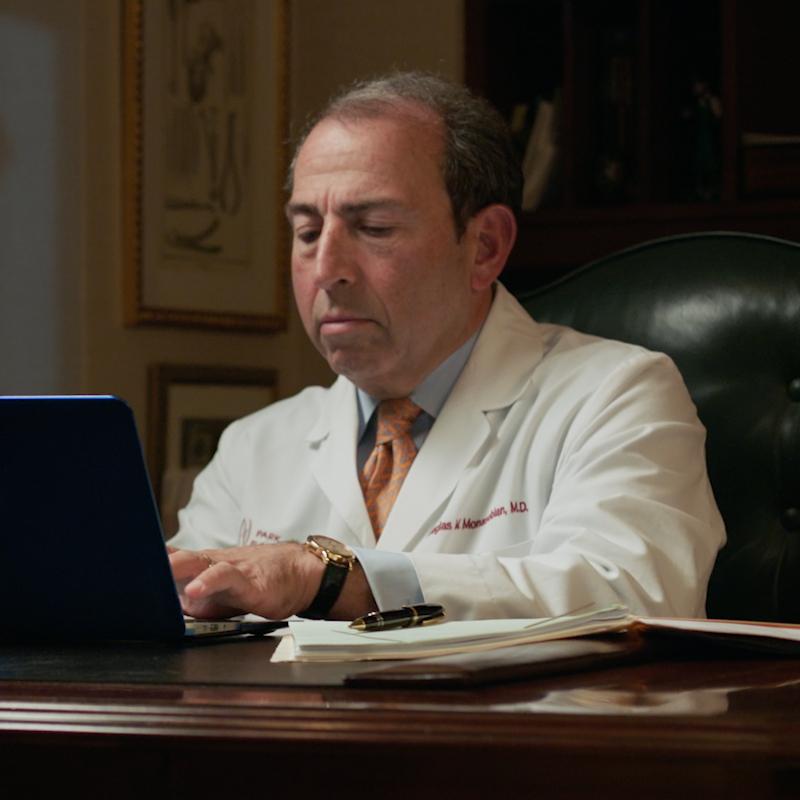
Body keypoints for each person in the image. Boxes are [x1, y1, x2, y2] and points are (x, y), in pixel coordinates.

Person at [168, 71, 725, 622]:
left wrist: (334, 579)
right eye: (308, 232)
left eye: (375, 228)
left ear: (485, 246)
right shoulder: (253, 446)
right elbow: (177, 616)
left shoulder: (618, 396)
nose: (326, 270)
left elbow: (634, 597)